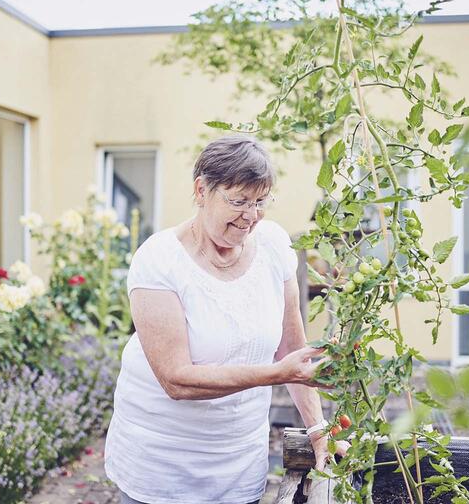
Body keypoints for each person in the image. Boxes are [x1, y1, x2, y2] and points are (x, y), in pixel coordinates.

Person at [104, 135, 347, 504]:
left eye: (260, 201)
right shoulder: (159, 261)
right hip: (160, 468)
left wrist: (317, 430)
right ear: (201, 190)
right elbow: (177, 380)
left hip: (237, 466)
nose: (251, 216)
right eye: (238, 201)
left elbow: (293, 347)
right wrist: (278, 373)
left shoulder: (273, 247)